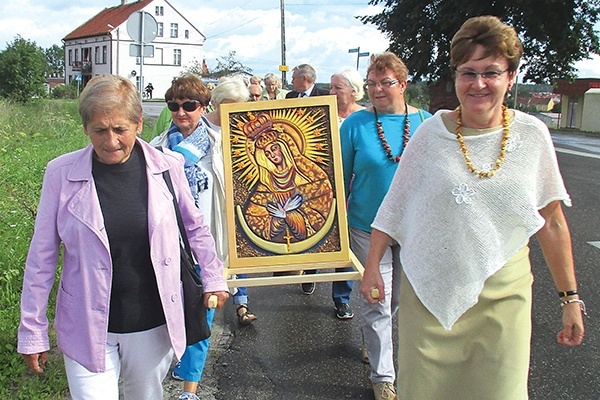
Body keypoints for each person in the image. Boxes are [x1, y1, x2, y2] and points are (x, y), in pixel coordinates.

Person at [361, 16, 585, 400]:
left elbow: (552, 223)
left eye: (491, 72)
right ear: (456, 76)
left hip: (504, 297)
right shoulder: (431, 133)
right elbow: (395, 204)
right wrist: (372, 270)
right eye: (468, 72)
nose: (478, 84)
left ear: (511, 76)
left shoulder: (533, 135)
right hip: (430, 294)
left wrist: (570, 299)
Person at [17, 75, 229, 400]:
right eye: (100, 130)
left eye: (120, 129)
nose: (111, 141)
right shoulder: (60, 174)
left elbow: (195, 227)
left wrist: (214, 276)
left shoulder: (167, 166)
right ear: (85, 128)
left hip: (152, 322)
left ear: (138, 124)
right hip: (85, 325)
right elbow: (41, 258)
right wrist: (33, 329)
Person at [339, 52, 431, 400]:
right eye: (372, 83)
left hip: (414, 229)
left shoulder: (426, 123)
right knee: (377, 300)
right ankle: (383, 378)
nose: (378, 89)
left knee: (400, 301)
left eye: (386, 82)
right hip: (367, 225)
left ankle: (373, 341)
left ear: (403, 85)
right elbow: (339, 177)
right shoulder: (355, 125)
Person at [150, 73, 232, 400]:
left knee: (201, 316)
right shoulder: (156, 151)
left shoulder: (221, 144)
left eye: (189, 105)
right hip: (170, 247)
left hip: (207, 247)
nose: (181, 112)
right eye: (174, 105)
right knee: (167, 315)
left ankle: (189, 390)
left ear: (204, 106)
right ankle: (172, 360)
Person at [200, 77, 260, 327]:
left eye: (237, 105)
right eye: (227, 105)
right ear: (216, 103)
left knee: (239, 248)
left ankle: (242, 302)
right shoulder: (201, 127)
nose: (231, 110)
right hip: (209, 200)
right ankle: (210, 296)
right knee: (212, 249)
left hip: (238, 198)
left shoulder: (244, 126)